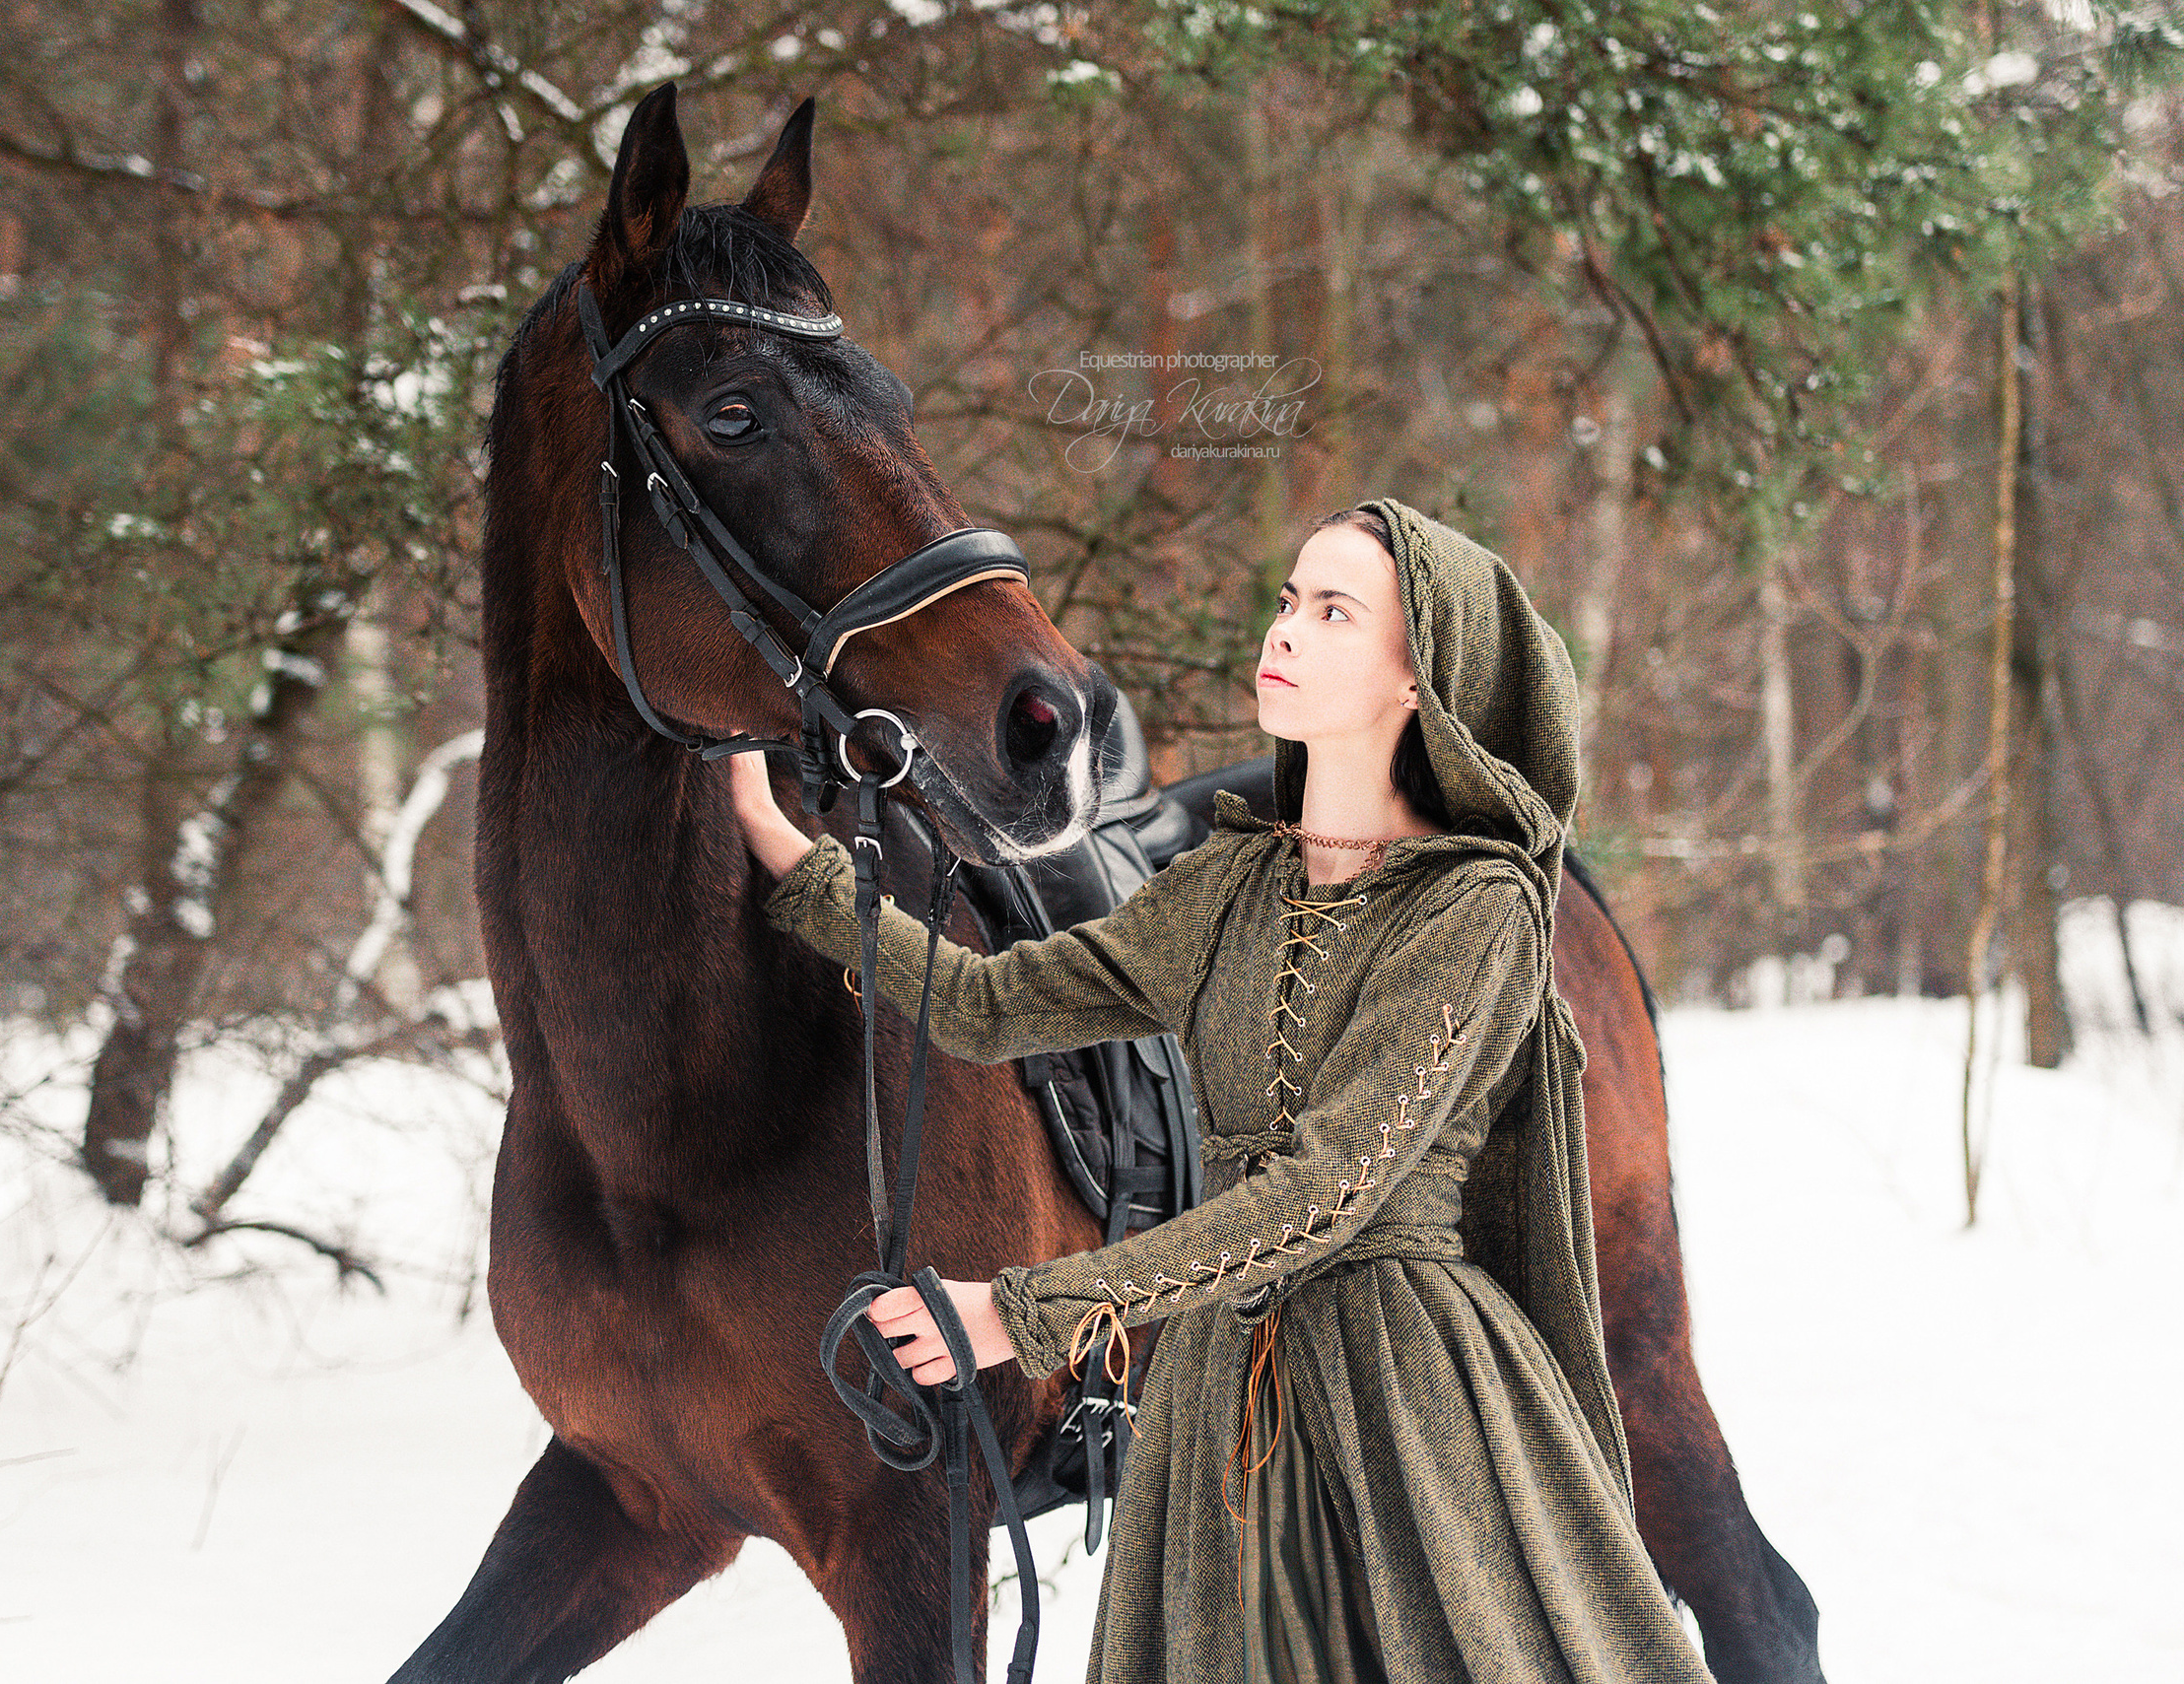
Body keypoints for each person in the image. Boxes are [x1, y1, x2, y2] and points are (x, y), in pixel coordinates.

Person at [732, 499, 1714, 1683]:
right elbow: (988, 1005)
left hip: (1406, 1394)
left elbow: (1326, 1193)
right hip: (1220, 1396)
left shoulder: (1477, 904)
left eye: (1335, 611)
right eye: (1289, 598)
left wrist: (1023, 1308)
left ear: (1420, 676)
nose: (1285, 629)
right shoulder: (1228, 884)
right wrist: (787, 848)